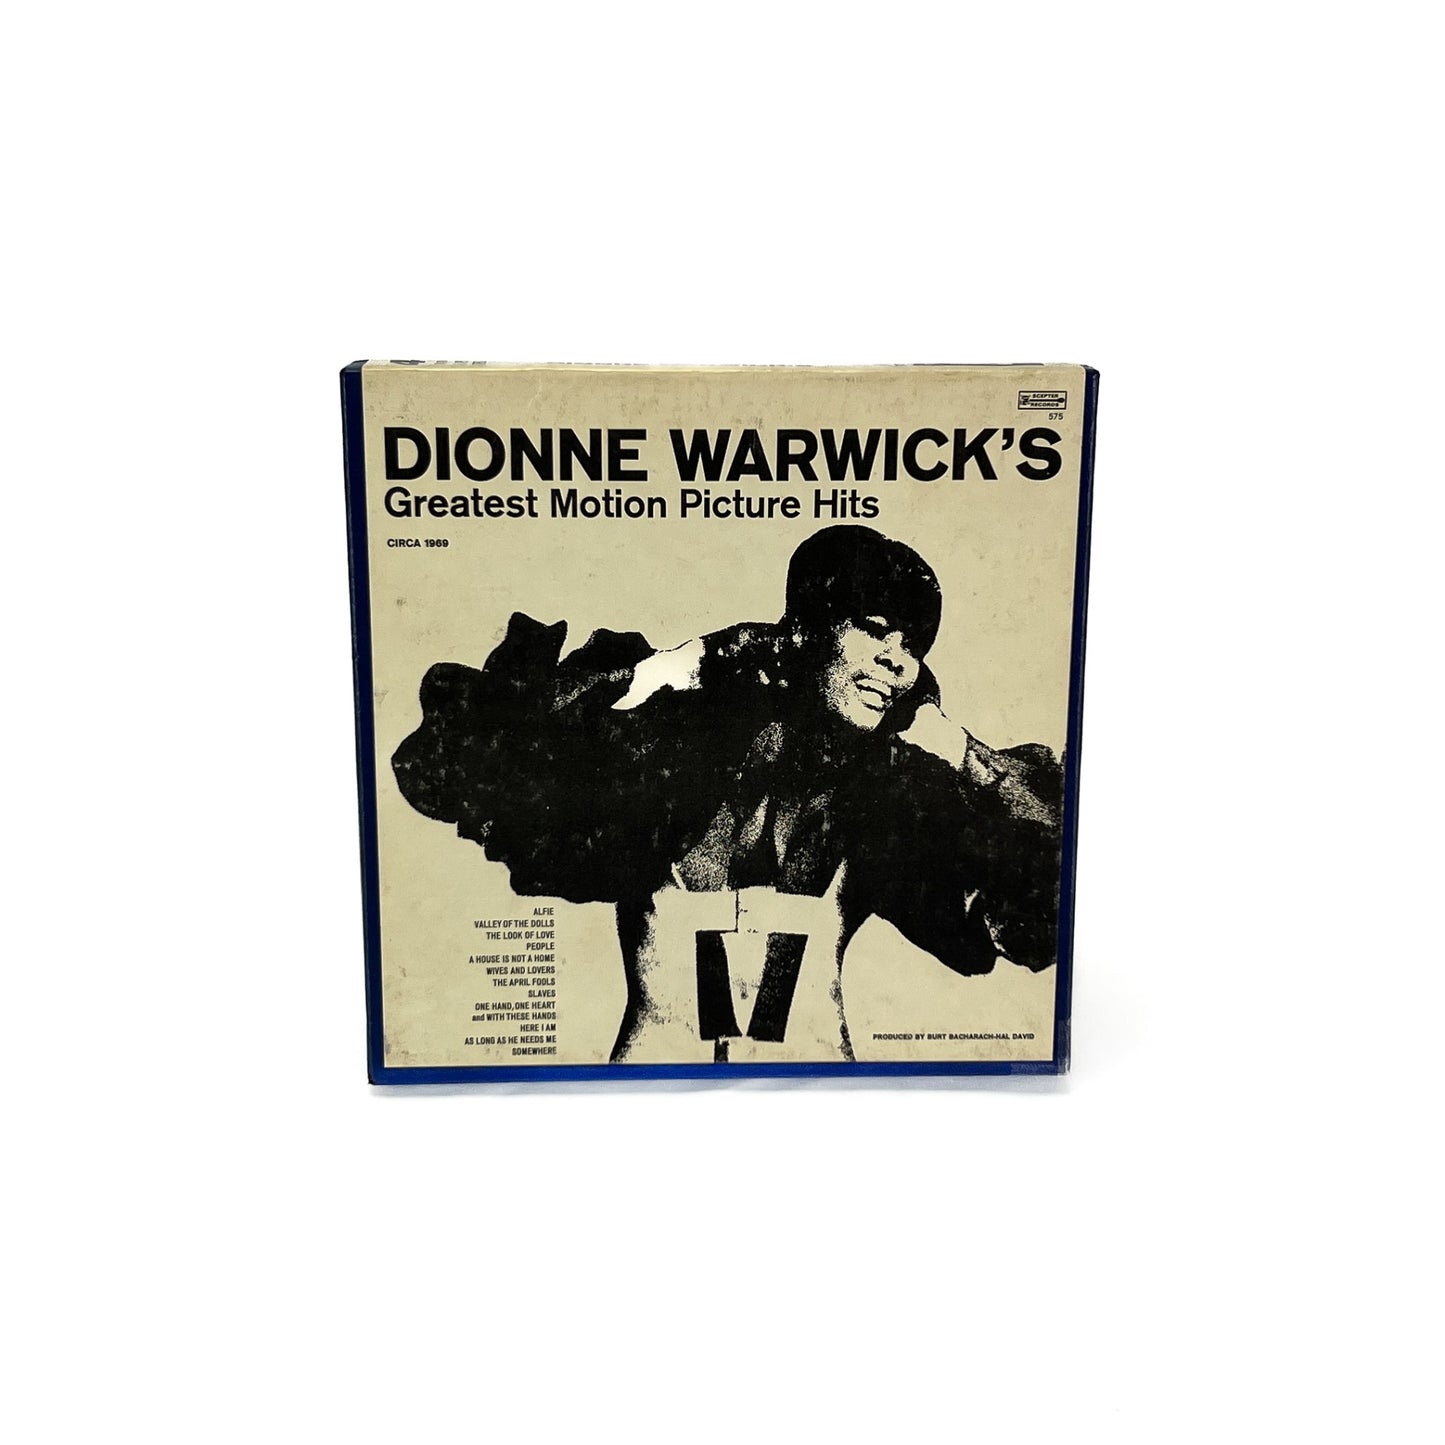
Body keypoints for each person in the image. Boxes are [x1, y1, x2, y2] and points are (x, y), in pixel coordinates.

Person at [392, 525, 1064, 1064]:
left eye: (911, 644)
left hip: (818, 1106)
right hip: (650, 1104)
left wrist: (958, 748)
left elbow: (1041, 912)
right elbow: (461, 764)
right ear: (807, 629)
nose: (897, 659)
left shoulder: (884, 795)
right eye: (873, 628)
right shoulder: (672, 752)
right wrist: (677, 664)